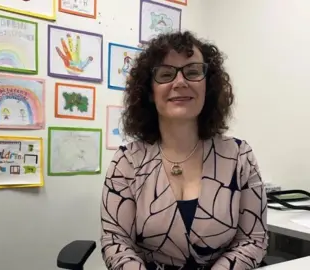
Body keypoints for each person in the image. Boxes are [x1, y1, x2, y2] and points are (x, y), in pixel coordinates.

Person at [100, 31, 268, 270]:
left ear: (207, 86)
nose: (180, 82)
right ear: (150, 91)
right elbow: (115, 241)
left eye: (192, 72)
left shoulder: (239, 156)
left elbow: (253, 239)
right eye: (166, 74)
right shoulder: (127, 160)